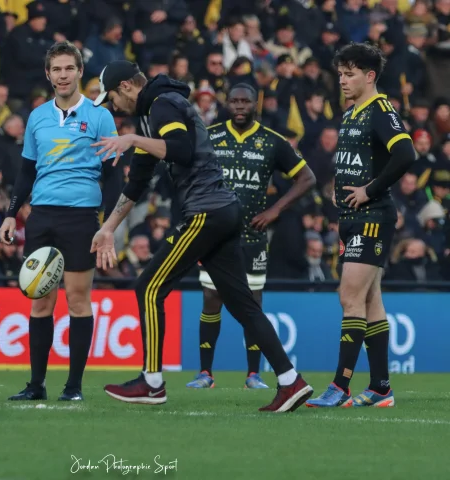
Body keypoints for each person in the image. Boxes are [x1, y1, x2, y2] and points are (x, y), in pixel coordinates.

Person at [90, 60, 314, 412]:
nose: (112, 108)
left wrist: (133, 138)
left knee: (148, 288)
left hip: (206, 212)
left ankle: (151, 383)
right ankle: (291, 381)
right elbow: (138, 181)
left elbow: (182, 150)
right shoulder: (151, 113)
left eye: (112, 99)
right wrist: (108, 228)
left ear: (127, 87)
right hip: (222, 212)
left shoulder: (162, 104)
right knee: (243, 304)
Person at [0, 41, 121, 402]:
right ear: (48, 74)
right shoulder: (37, 117)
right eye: (57, 69)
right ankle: (36, 385)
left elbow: (113, 176)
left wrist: (109, 226)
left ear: (80, 72)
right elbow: (26, 172)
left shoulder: (100, 115)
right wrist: (10, 213)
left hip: (82, 219)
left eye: (69, 68)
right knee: (39, 302)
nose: (63, 75)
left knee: (78, 301)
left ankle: (74, 387)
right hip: (42, 217)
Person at [306, 43, 416, 408]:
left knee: (348, 297)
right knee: (370, 301)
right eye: (340, 74)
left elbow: (406, 153)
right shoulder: (352, 113)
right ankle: (381, 388)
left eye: (350, 74)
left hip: (372, 218)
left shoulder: (381, 110)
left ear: (370, 76)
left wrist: (369, 189)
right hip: (351, 220)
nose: (343, 81)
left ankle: (340, 387)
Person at [187, 84, 316, 390]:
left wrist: (275, 211)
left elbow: (307, 178)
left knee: (253, 303)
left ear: (255, 104)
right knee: (211, 297)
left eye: (246, 101)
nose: (240, 106)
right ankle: (205, 373)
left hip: (253, 236)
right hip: (215, 234)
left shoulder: (272, 141)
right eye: (235, 101)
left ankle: (253, 374)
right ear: (226, 103)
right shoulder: (210, 135)